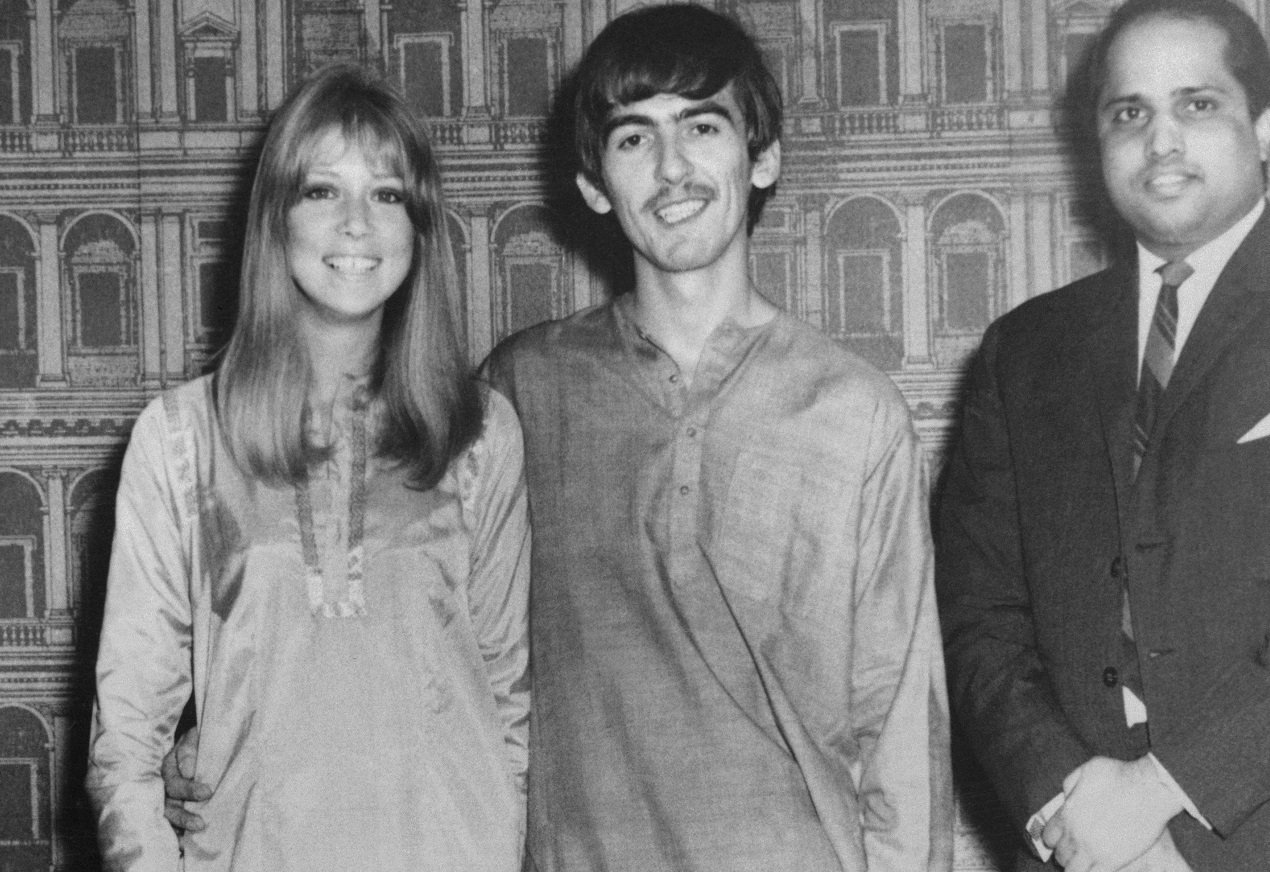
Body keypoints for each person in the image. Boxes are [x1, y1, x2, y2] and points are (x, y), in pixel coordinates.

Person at [484, 5, 950, 870]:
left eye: (702, 126)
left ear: (761, 156)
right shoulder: (523, 389)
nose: (671, 167)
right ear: (593, 184)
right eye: (633, 138)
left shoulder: (855, 412)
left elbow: (899, 728)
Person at [86, 64, 531, 872]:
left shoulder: (479, 433)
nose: (356, 224)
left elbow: (510, 704)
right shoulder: (180, 439)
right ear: (275, 218)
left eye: (387, 194)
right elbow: (125, 748)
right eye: (322, 190)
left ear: (420, 227)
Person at [937, 0, 1270, 869]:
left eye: (1198, 104)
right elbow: (978, 617)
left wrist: (1162, 794)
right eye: (1130, 113)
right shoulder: (1025, 350)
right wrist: (1077, 815)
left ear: (1265, 127)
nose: (1161, 140)